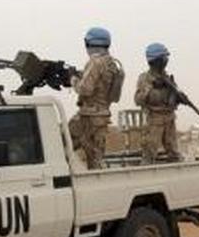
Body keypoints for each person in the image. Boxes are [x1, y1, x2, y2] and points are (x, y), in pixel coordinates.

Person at [70, 27, 122, 169]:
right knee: (96, 158)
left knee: (62, 144)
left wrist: (73, 80)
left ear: (89, 43)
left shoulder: (96, 62)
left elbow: (85, 89)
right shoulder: (112, 63)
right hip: (102, 116)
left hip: (88, 117)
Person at [134, 42, 182, 164]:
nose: (166, 61)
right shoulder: (145, 78)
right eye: (164, 58)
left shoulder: (167, 78)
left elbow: (172, 100)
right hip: (154, 120)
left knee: (174, 153)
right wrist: (153, 88)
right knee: (149, 153)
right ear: (156, 60)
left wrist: (178, 97)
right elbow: (138, 100)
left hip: (169, 119)